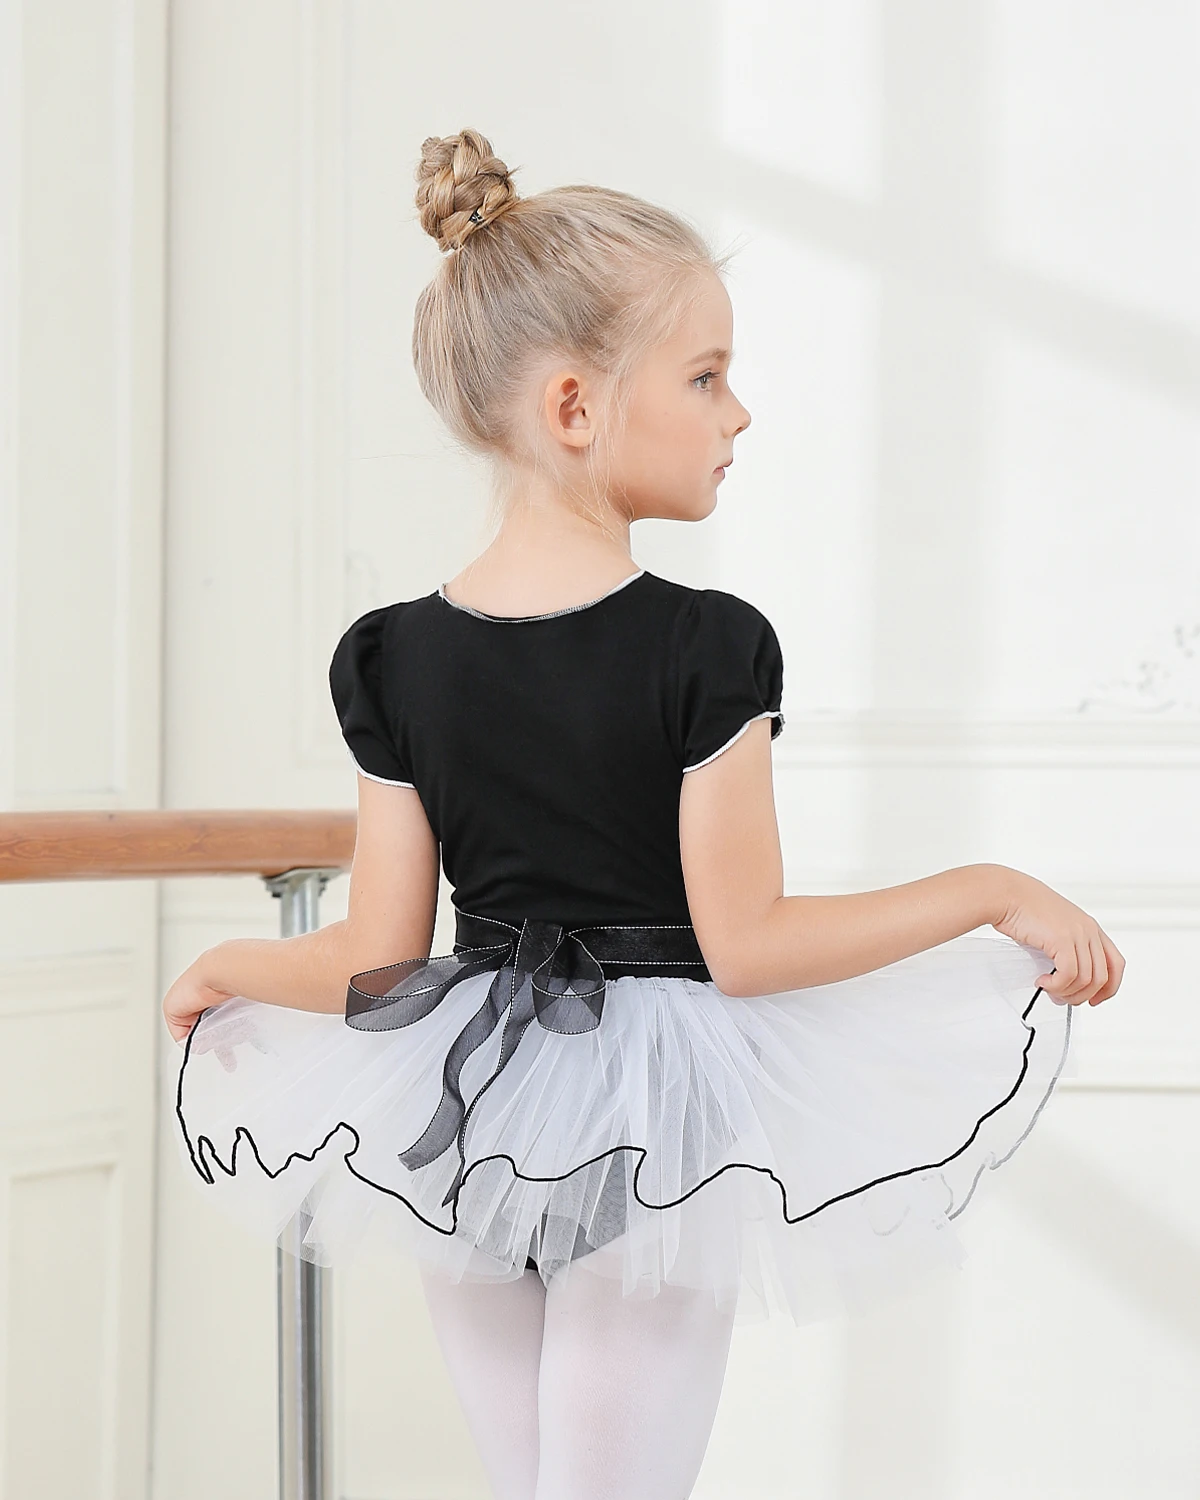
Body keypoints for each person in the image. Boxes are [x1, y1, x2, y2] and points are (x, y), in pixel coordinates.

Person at [163, 128, 1125, 1499]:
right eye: (706, 376)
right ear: (575, 406)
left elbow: (378, 960)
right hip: (654, 1117)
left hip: (462, 1108)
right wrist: (990, 889)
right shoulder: (705, 647)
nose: (739, 415)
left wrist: (228, 965)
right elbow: (749, 947)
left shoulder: (393, 657)